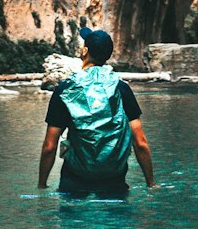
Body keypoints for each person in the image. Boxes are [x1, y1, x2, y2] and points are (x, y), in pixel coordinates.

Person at [38, 27, 155, 197]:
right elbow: (140, 143)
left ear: (85, 51)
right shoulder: (121, 88)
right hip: (114, 179)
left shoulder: (66, 89)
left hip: (75, 179)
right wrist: (151, 184)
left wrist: (42, 185)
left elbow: (50, 146)